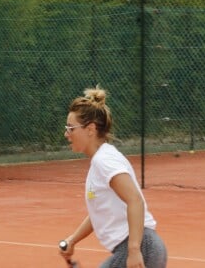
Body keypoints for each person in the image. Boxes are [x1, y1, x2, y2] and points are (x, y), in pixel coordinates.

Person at [59, 85, 167, 268]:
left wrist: (134, 251)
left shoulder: (104, 160)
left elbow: (135, 200)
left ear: (90, 129)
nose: (66, 134)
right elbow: (99, 212)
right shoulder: (100, 161)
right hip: (143, 247)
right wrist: (73, 239)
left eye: (71, 128)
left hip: (141, 248)